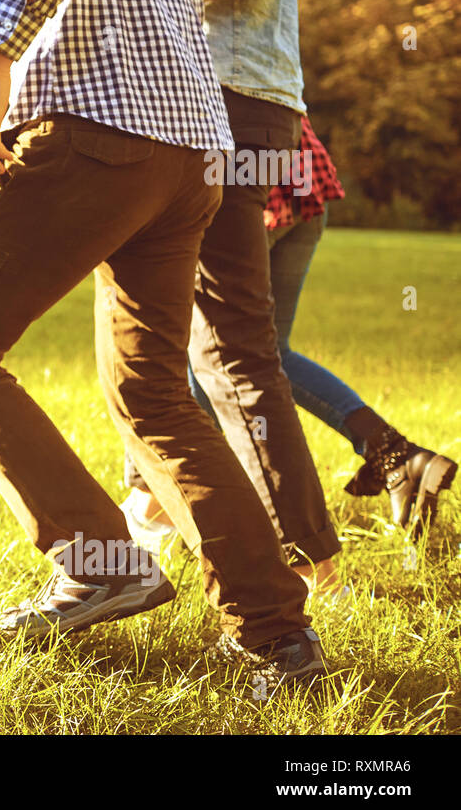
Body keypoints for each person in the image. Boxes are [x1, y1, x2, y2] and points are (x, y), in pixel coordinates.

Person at [0, 0, 325, 686]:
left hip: (98, 130)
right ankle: (276, 634)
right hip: (189, 145)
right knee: (154, 394)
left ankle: (99, 564)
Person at [123, 117, 457, 548]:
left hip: (239, 193)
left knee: (227, 351)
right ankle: (394, 455)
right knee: (257, 352)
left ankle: (156, 506)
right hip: (300, 180)